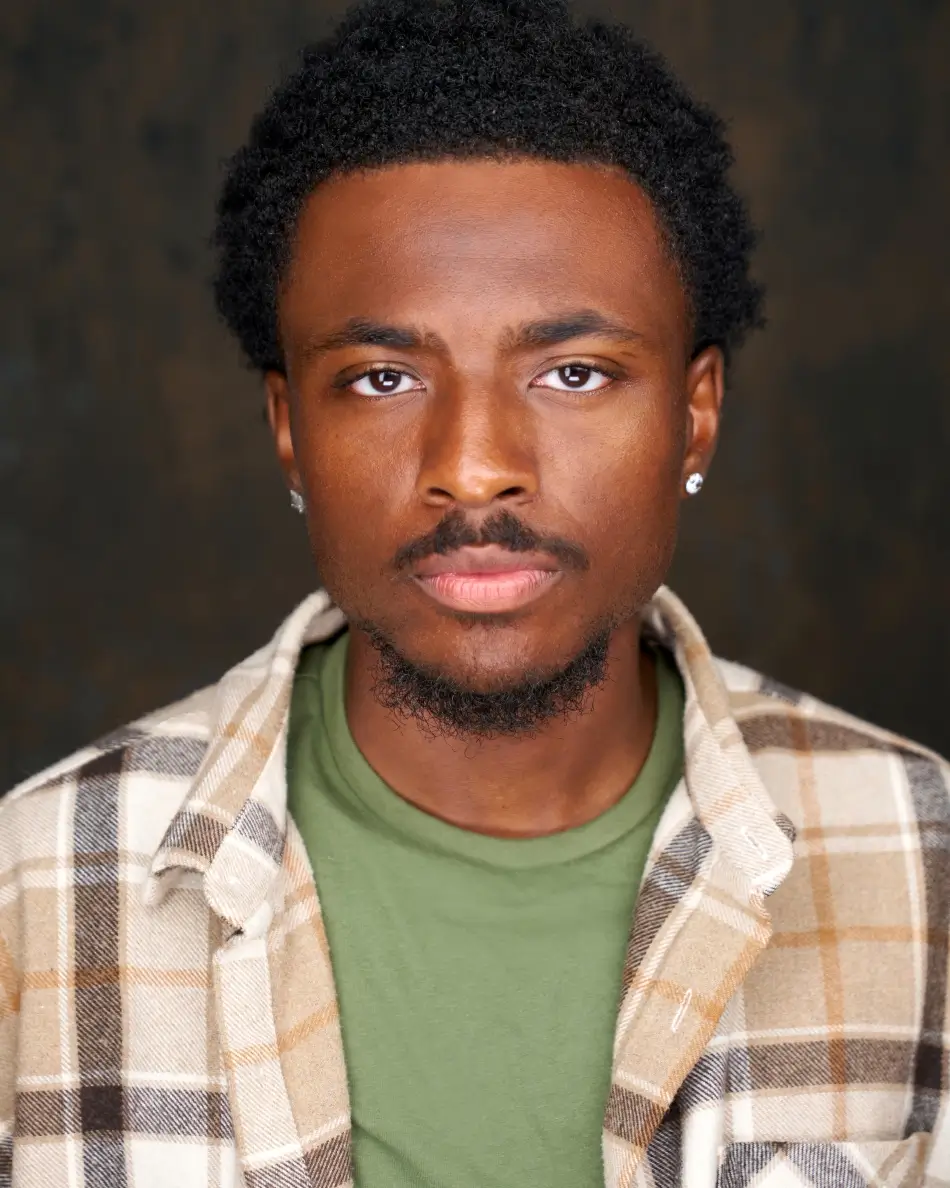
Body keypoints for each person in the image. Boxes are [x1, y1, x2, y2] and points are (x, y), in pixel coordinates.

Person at [1, 0, 947, 1184]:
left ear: (693, 413)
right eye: (385, 376)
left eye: (571, 370)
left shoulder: (925, 862)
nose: (471, 464)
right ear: (287, 429)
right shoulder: (33, 889)